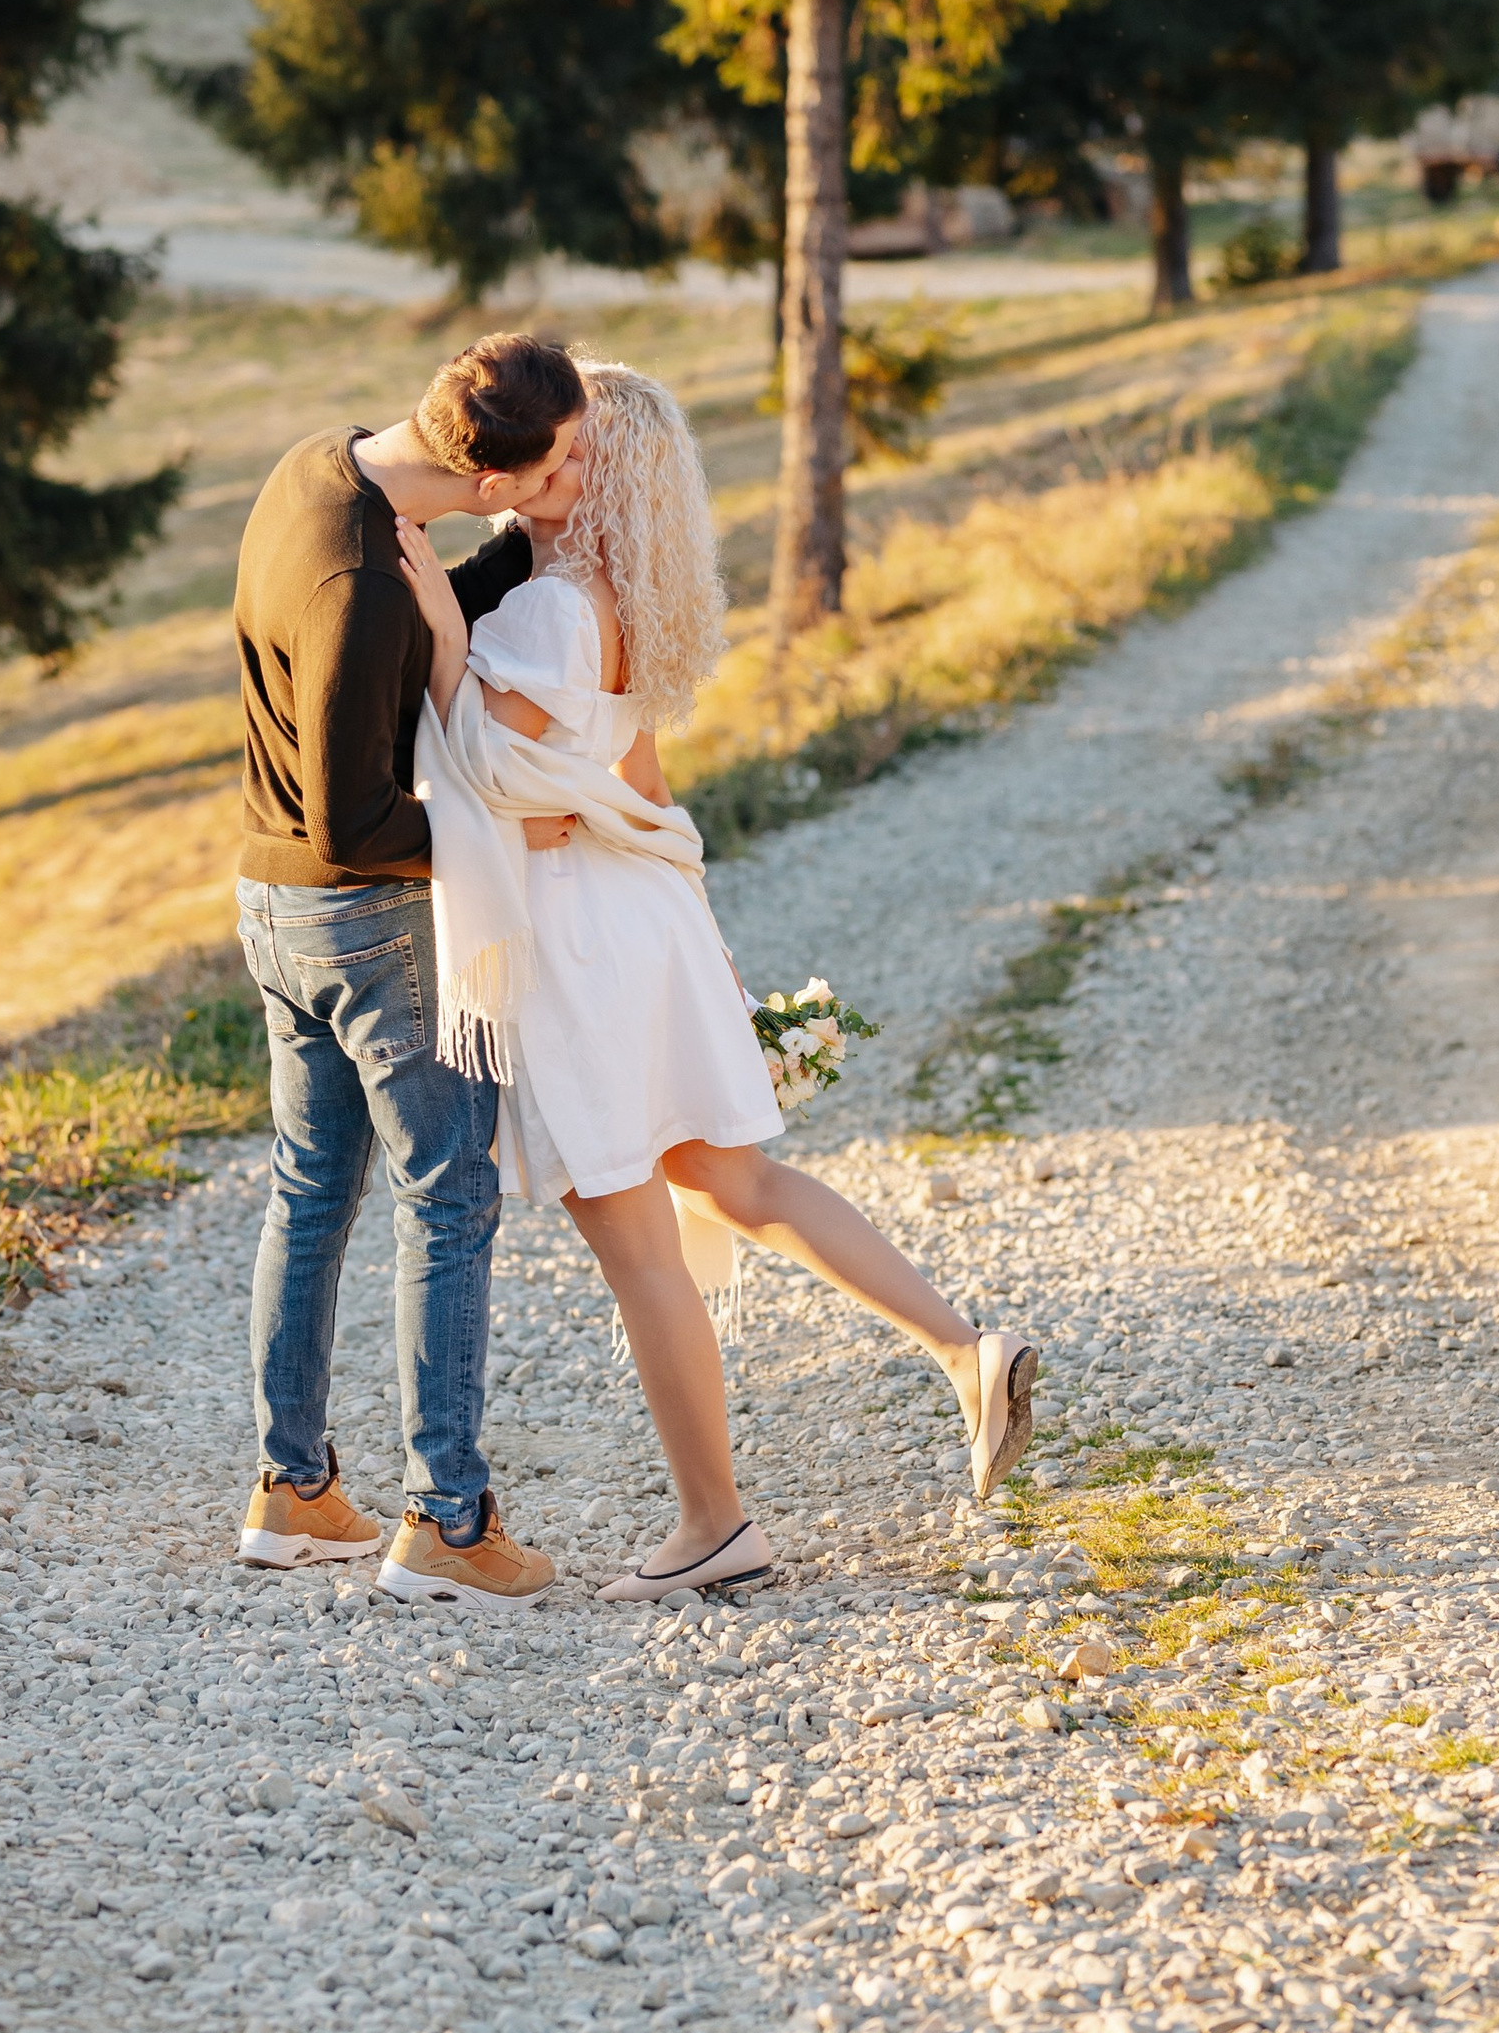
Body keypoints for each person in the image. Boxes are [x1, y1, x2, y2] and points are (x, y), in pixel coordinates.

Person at [397, 358, 1037, 1597]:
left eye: (571, 449)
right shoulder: (623, 605)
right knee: (737, 1179)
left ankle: (717, 1526)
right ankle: (964, 1353)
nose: (550, 459)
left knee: (637, 1240)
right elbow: (640, 790)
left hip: (580, 936)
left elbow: (487, 794)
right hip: (647, 913)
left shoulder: (542, 613)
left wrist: (435, 634)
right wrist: (707, 943)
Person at [229, 331, 587, 1608]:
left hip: (273, 905)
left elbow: (406, 639)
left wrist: (526, 555)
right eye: (556, 469)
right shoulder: (358, 582)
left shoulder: (320, 472)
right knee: (449, 1201)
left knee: (311, 1188)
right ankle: (447, 1520)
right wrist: (509, 832)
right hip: (362, 917)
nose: (567, 480)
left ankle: (294, 1490)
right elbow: (357, 818)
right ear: (494, 479)